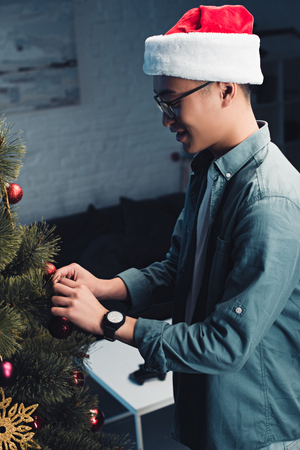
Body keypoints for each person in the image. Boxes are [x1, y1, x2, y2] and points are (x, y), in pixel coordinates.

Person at [51, 5, 300, 450]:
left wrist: (110, 323)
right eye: (160, 103)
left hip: (256, 435)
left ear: (225, 89)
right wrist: (109, 287)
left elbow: (225, 344)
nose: (166, 119)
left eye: (173, 101)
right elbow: (179, 267)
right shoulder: (208, 170)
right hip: (206, 419)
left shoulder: (271, 200)